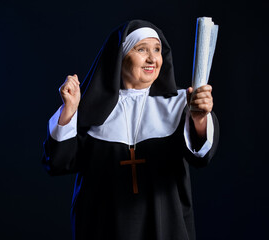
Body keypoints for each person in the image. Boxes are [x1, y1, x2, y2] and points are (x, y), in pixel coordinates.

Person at [42, 19, 219, 240]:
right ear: (121, 56)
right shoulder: (89, 108)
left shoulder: (181, 104)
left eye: (157, 50)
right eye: (141, 49)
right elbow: (57, 163)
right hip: (103, 228)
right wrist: (69, 110)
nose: (152, 58)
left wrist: (200, 118)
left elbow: (202, 157)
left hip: (165, 228)